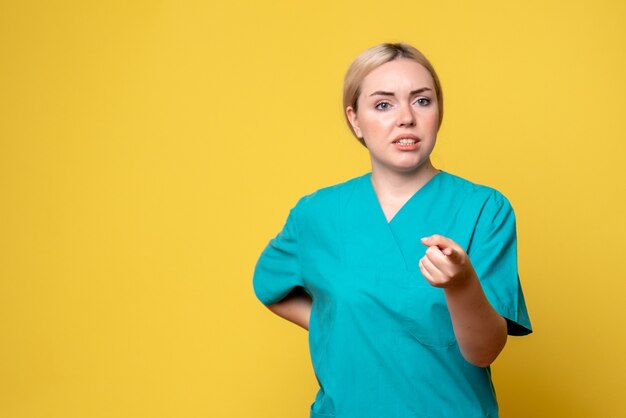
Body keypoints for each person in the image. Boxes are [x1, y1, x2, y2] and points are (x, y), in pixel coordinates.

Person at [252, 42, 532, 418]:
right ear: (355, 120)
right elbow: (268, 285)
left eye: (421, 101)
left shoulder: (484, 209)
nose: (406, 118)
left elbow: (484, 351)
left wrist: (461, 284)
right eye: (384, 104)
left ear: (439, 112)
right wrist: (337, 323)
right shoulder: (316, 214)